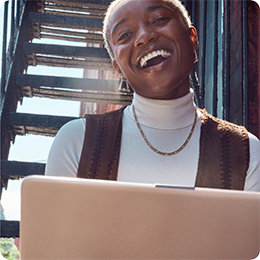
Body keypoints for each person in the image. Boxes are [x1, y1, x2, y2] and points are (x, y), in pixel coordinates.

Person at [45, 0, 260, 191]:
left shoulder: (246, 151)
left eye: (159, 19)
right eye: (125, 35)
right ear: (118, 68)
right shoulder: (77, 143)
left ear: (191, 38)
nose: (145, 36)